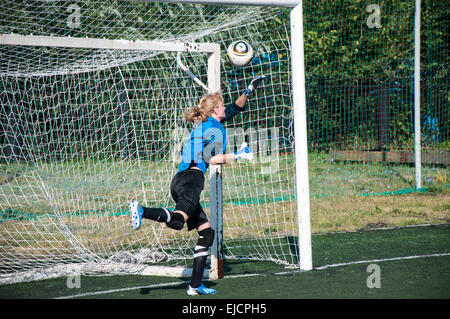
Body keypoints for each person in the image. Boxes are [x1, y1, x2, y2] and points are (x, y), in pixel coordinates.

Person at [128, 75, 266, 295]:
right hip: (192, 180)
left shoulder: (208, 122)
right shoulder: (216, 130)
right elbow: (213, 160)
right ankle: (142, 210)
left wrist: (248, 91)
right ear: (214, 111)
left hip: (180, 180)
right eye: (221, 106)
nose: (225, 108)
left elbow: (236, 108)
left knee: (206, 233)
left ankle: (194, 285)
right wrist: (240, 155)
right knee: (177, 221)